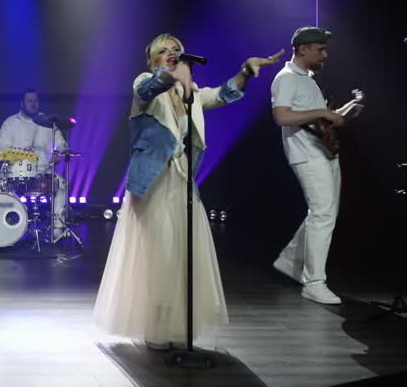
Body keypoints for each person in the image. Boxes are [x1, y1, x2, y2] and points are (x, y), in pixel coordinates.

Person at [93, 33, 283, 349]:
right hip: (153, 183)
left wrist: (245, 71)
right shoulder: (145, 84)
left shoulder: (189, 92)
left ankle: (175, 324)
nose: (172, 53)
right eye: (164, 50)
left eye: (176, 50)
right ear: (152, 59)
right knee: (160, 254)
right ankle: (155, 326)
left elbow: (222, 94)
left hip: (182, 183)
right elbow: (148, 88)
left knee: (181, 257)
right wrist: (171, 75)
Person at [270, 26, 363, 305]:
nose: (325, 54)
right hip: (307, 155)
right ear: (303, 49)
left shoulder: (307, 79)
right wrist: (323, 111)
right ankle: (314, 283)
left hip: (324, 152)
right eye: (320, 49)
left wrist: (345, 110)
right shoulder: (287, 78)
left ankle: (291, 262)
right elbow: (282, 117)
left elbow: (319, 121)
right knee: (322, 214)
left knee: (324, 214)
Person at [0, 89, 68, 240]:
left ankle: (57, 229)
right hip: (15, 172)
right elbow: (1, 150)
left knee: (61, 184)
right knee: (1, 187)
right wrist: (15, 156)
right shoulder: (10, 123)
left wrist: (58, 153)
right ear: (22, 103)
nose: (33, 104)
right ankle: (7, 228)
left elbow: (62, 145)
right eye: (30, 101)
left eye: (36, 101)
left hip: (43, 171)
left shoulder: (49, 123)